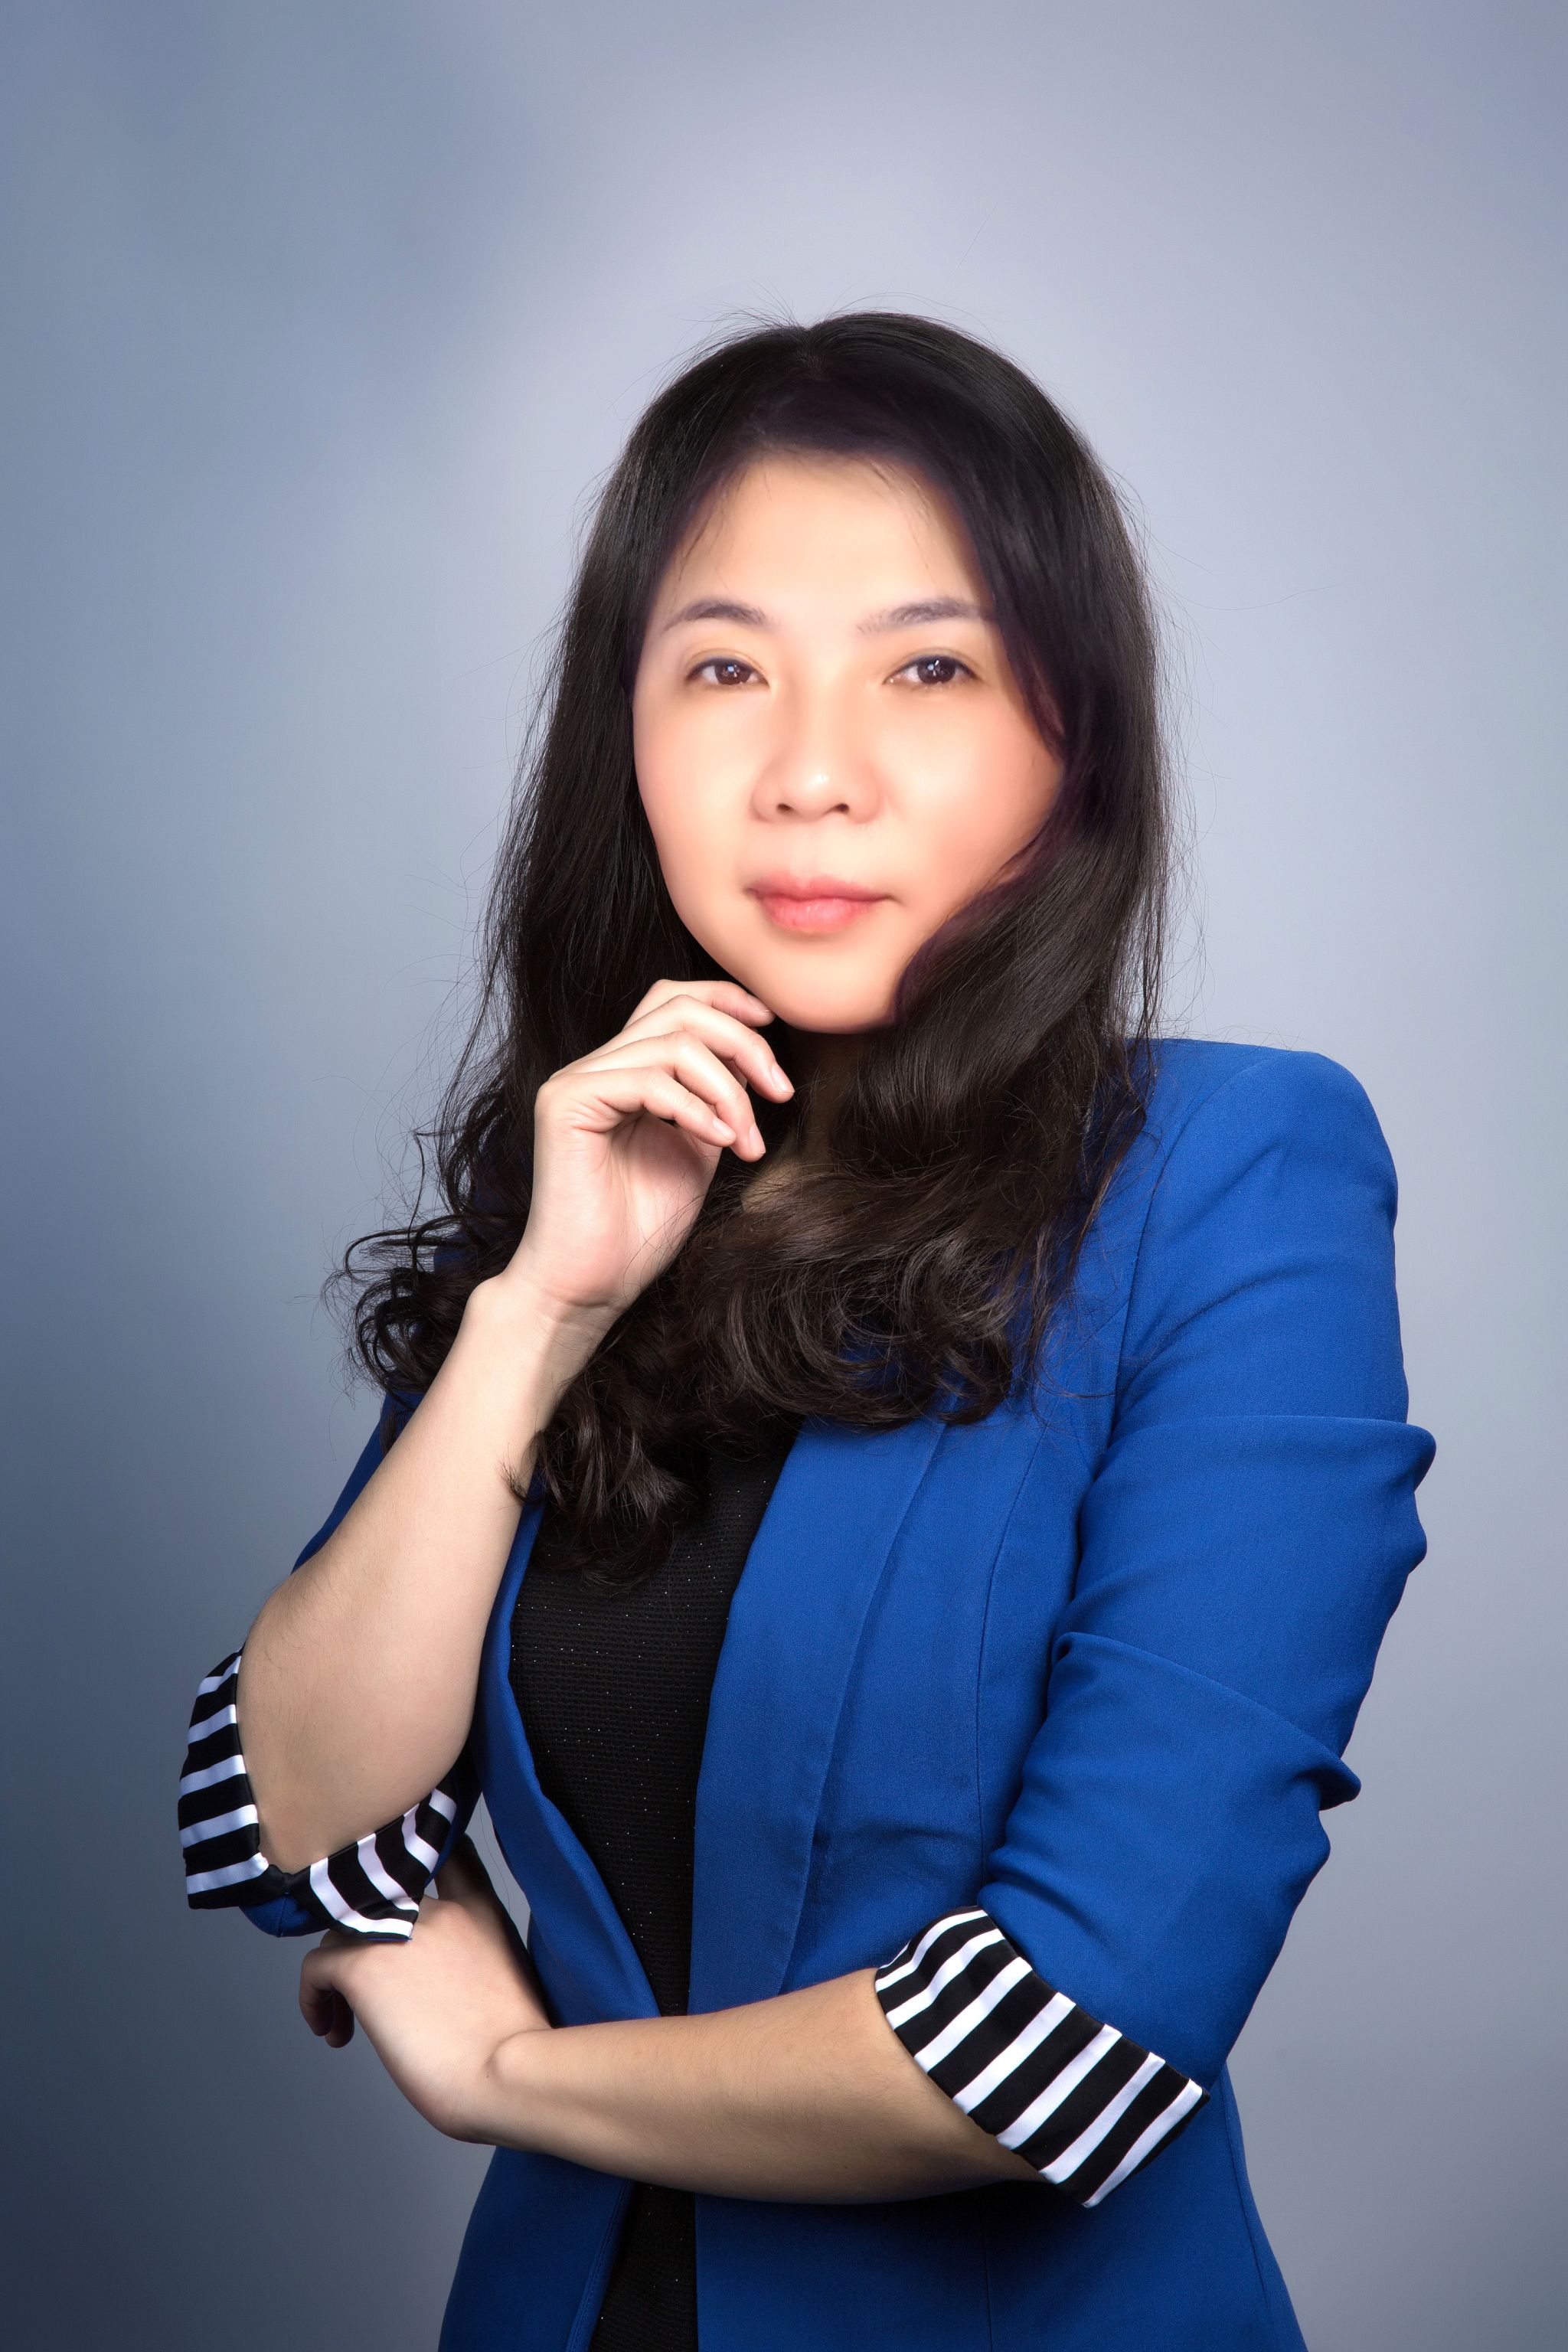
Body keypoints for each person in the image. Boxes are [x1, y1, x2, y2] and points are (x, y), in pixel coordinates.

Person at [177, 312, 1434, 2351]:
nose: (811, 774)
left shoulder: (1231, 1174)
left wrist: (504, 2073)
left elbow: (1068, 2042)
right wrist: (542, 1308)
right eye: (725, 670)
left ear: (1074, 746)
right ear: (628, 738)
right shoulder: (607, 1173)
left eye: (929, 669)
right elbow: (288, 1820)